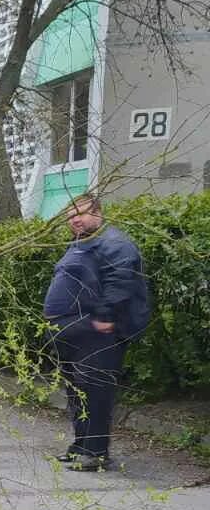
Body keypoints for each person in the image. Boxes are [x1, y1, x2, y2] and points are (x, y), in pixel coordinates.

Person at [43, 194, 151, 472]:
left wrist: (104, 316)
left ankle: (96, 453)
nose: (75, 219)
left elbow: (121, 280)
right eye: (70, 215)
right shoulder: (82, 243)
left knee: (96, 391)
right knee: (77, 391)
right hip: (74, 332)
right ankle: (81, 446)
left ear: (99, 213)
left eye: (81, 212)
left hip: (99, 332)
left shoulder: (114, 243)